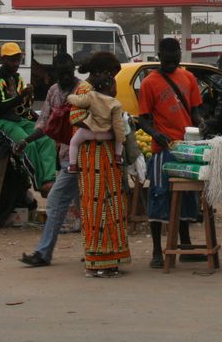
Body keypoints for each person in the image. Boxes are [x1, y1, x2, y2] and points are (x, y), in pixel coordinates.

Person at [137, 37, 206, 268]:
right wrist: (156, 134)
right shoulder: (149, 82)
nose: (170, 63)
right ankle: (158, 250)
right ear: (159, 56)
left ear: (179, 56)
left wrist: (202, 123)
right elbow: (143, 120)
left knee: (187, 198)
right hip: (163, 150)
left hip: (187, 148)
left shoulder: (188, 77)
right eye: (167, 60)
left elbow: (195, 111)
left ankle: (185, 247)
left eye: (174, 59)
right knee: (159, 195)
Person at [69, 51, 131, 277]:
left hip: (103, 155)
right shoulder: (85, 91)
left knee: (108, 205)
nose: (112, 82)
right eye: (111, 76)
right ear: (101, 73)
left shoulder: (93, 91)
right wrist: (106, 129)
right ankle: (99, 261)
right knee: (98, 207)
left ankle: (109, 258)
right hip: (93, 155)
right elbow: (76, 119)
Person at [20, 53, 81, 268]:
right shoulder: (54, 92)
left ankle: (44, 253)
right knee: (84, 208)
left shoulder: (82, 90)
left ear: (74, 70)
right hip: (66, 157)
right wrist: (26, 140)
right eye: (61, 74)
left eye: (68, 73)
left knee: (55, 203)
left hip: (80, 157)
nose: (65, 77)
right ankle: (96, 249)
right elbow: (43, 123)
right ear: (55, 73)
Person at [0, 42, 57, 196]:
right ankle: (40, 184)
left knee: (46, 139)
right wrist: (21, 96)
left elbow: (23, 107)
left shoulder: (17, 79)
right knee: (27, 145)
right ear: (3, 60)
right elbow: (0, 108)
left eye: (18, 60)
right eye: (12, 60)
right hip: (0, 122)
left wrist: (29, 99)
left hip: (17, 119)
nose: (16, 63)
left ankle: (49, 180)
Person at [65, 73, 128, 174]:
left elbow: (79, 101)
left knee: (74, 142)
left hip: (88, 132)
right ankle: (118, 157)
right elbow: (118, 125)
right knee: (119, 137)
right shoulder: (116, 104)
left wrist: (70, 97)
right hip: (106, 134)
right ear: (112, 89)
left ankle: (72, 165)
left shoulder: (91, 96)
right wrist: (120, 138)